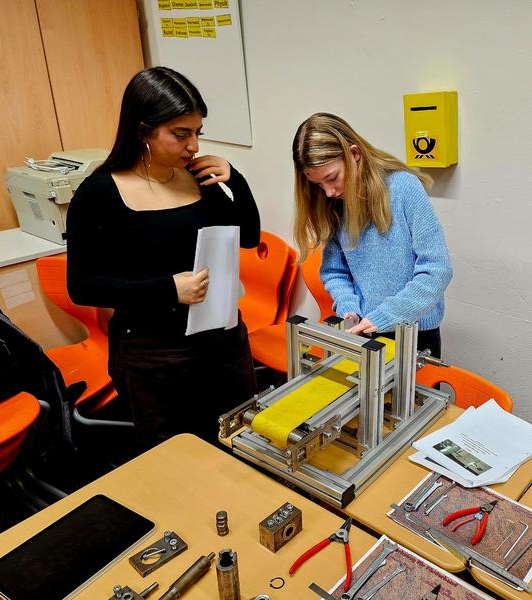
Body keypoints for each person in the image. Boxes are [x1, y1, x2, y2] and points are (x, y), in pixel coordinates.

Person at [66, 67, 260, 450]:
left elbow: (249, 236)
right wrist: (169, 290)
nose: (194, 146)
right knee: (176, 458)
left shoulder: (196, 177)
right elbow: (83, 286)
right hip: (155, 355)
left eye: (198, 132)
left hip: (223, 343)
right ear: (143, 130)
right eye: (181, 134)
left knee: (241, 444)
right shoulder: (99, 194)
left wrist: (235, 179)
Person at [292, 113, 452, 357]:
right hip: (364, 331)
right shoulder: (335, 204)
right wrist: (349, 308)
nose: (328, 192)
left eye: (332, 178)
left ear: (354, 154)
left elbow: (437, 270)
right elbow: (335, 272)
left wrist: (385, 316)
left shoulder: (404, 189)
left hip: (414, 333)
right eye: (318, 184)